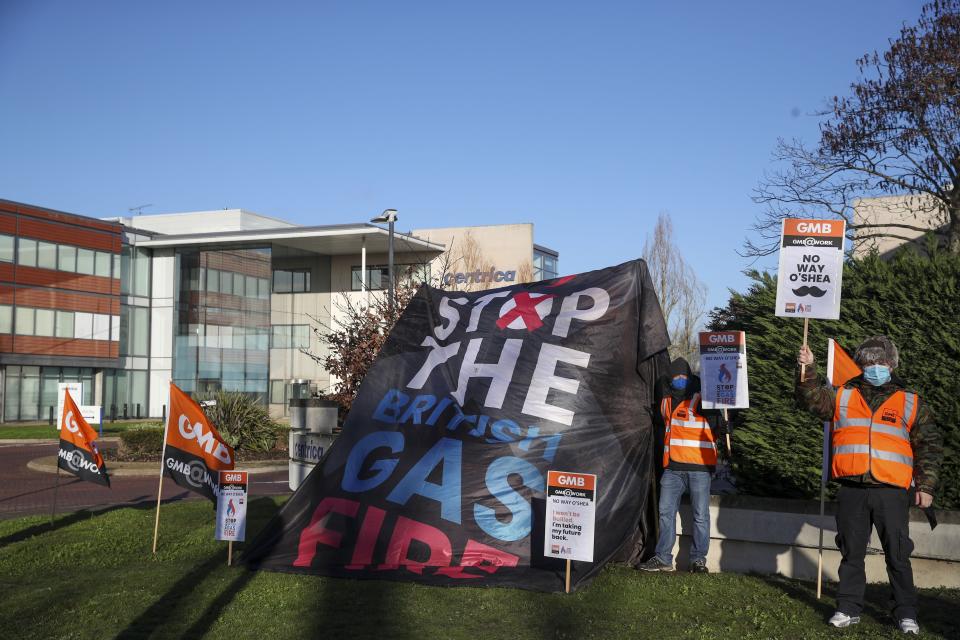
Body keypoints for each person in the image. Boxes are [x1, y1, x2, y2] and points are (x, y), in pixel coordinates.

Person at [797, 336, 942, 635]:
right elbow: (810, 399)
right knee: (851, 552)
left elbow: (928, 445)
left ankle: (906, 612)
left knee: (898, 554)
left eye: (881, 362)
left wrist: (925, 486)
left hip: (892, 491)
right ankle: (848, 609)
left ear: (891, 364)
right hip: (853, 488)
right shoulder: (842, 394)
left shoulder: (910, 400)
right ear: (861, 364)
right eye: (869, 362)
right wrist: (808, 368)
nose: (875, 367)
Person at [640, 357, 727, 574]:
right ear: (670, 379)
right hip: (672, 470)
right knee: (665, 514)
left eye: (684, 377)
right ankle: (663, 558)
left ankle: (698, 561)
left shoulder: (703, 399)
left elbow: (716, 416)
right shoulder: (666, 402)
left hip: (699, 469)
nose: (681, 380)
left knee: (700, 516)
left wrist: (723, 418)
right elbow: (661, 421)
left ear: (691, 378)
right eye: (676, 377)